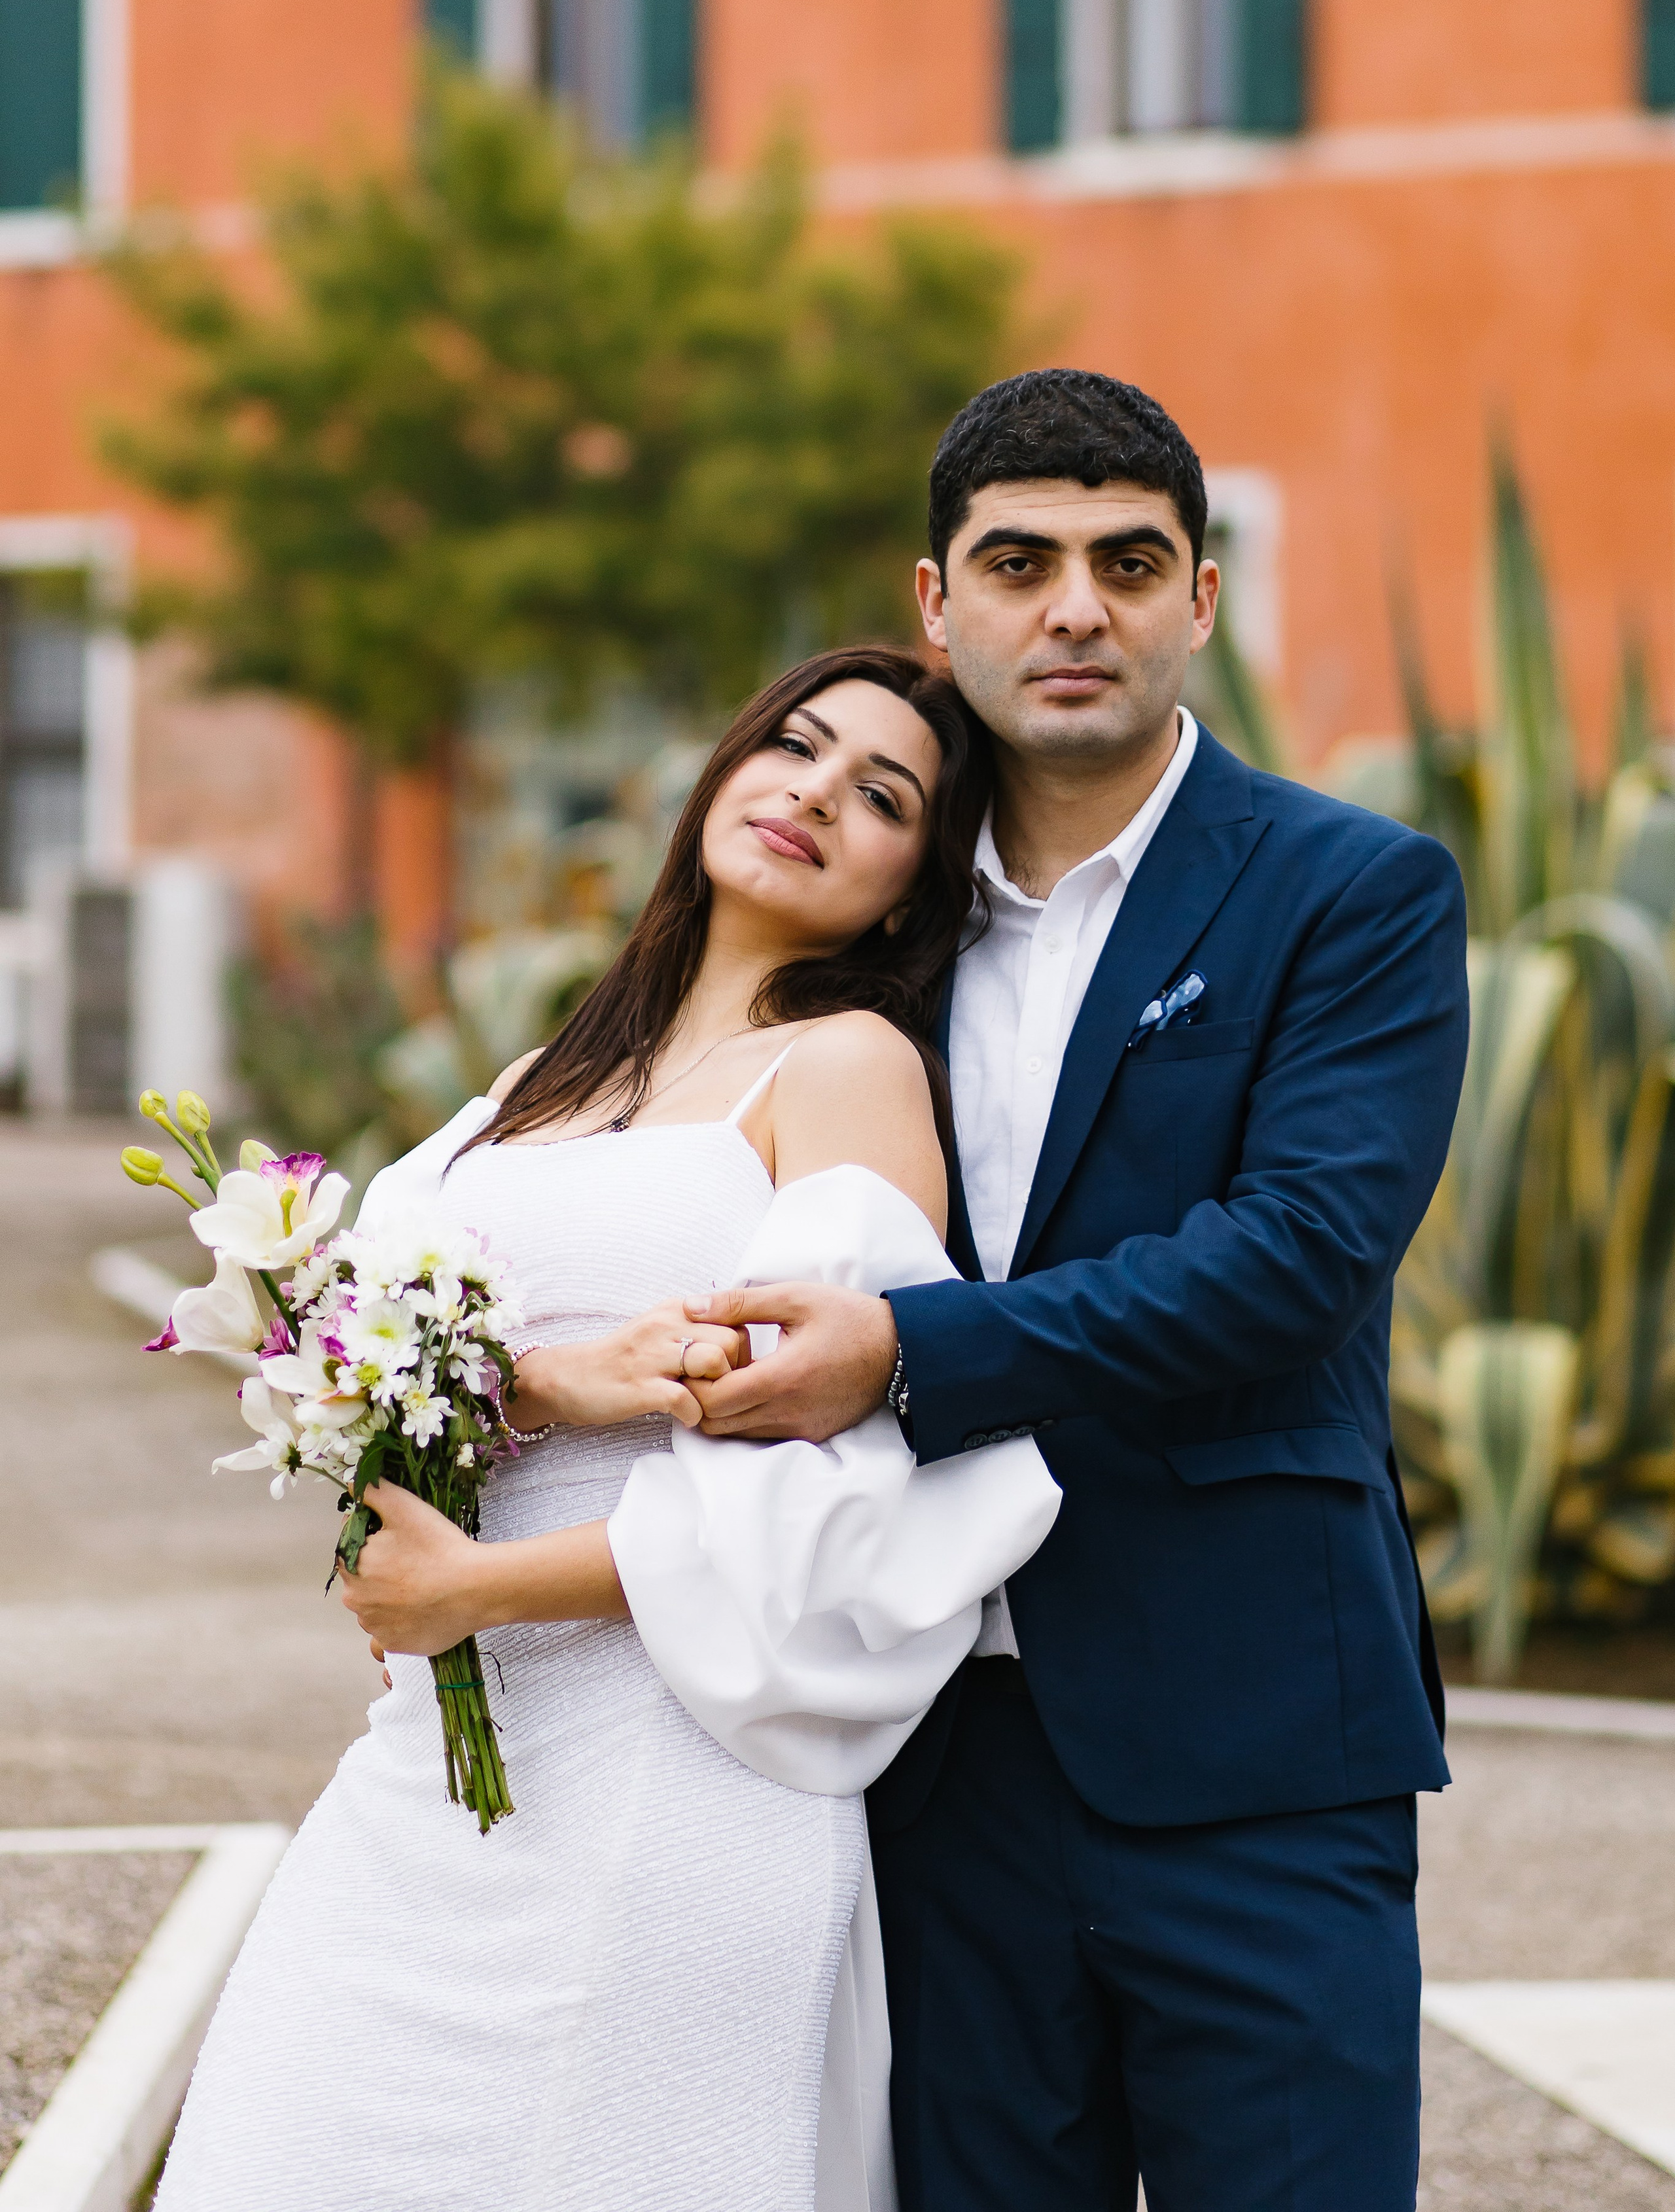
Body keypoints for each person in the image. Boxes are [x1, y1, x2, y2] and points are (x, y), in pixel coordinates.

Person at [682, 370, 1472, 2212]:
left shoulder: (1352, 892)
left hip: (1258, 1737)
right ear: (939, 601)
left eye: (1130, 563)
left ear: (1202, 599)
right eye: (1019, 561)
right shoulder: (872, 920)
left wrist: (904, 1357)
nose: (1075, 608)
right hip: (936, 1742)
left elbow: (1292, 1264)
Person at [153, 644, 1061, 2212]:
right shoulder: (530, 1080)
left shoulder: (841, 1067)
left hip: (676, 1768)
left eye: (881, 796)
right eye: (793, 746)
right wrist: (536, 1391)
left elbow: (839, 1491)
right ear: (719, 768)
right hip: (433, 1760)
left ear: (914, 891)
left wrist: (480, 1588)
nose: (813, 795)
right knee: (277, 2145)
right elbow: (363, 1365)